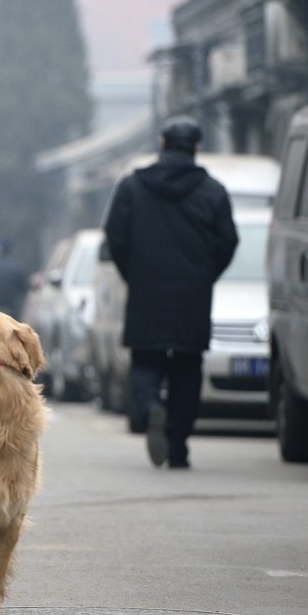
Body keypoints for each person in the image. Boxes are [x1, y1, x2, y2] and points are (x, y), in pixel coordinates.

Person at [102, 116, 237, 469]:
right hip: (192, 296)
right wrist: (205, 275)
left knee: (145, 362)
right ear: (197, 147)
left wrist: (134, 273)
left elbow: (115, 235)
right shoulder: (213, 191)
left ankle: (150, 408)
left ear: (161, 143)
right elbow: (228, 241)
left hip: (147, 292)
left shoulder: (133, 186)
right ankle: (177, 446)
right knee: (187, 369)